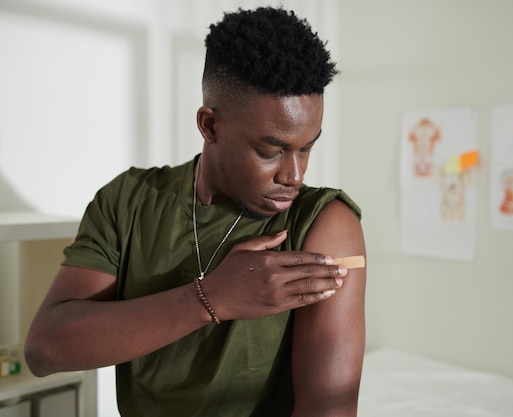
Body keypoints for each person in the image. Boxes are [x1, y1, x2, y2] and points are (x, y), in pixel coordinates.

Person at [24, 6, 366, 417]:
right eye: (270, 150)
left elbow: (328, 409)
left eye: (307, 147)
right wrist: (213, 298)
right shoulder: (129, 200)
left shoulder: (324, 223)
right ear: (210, 126)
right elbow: (45, 350)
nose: (293, 175)